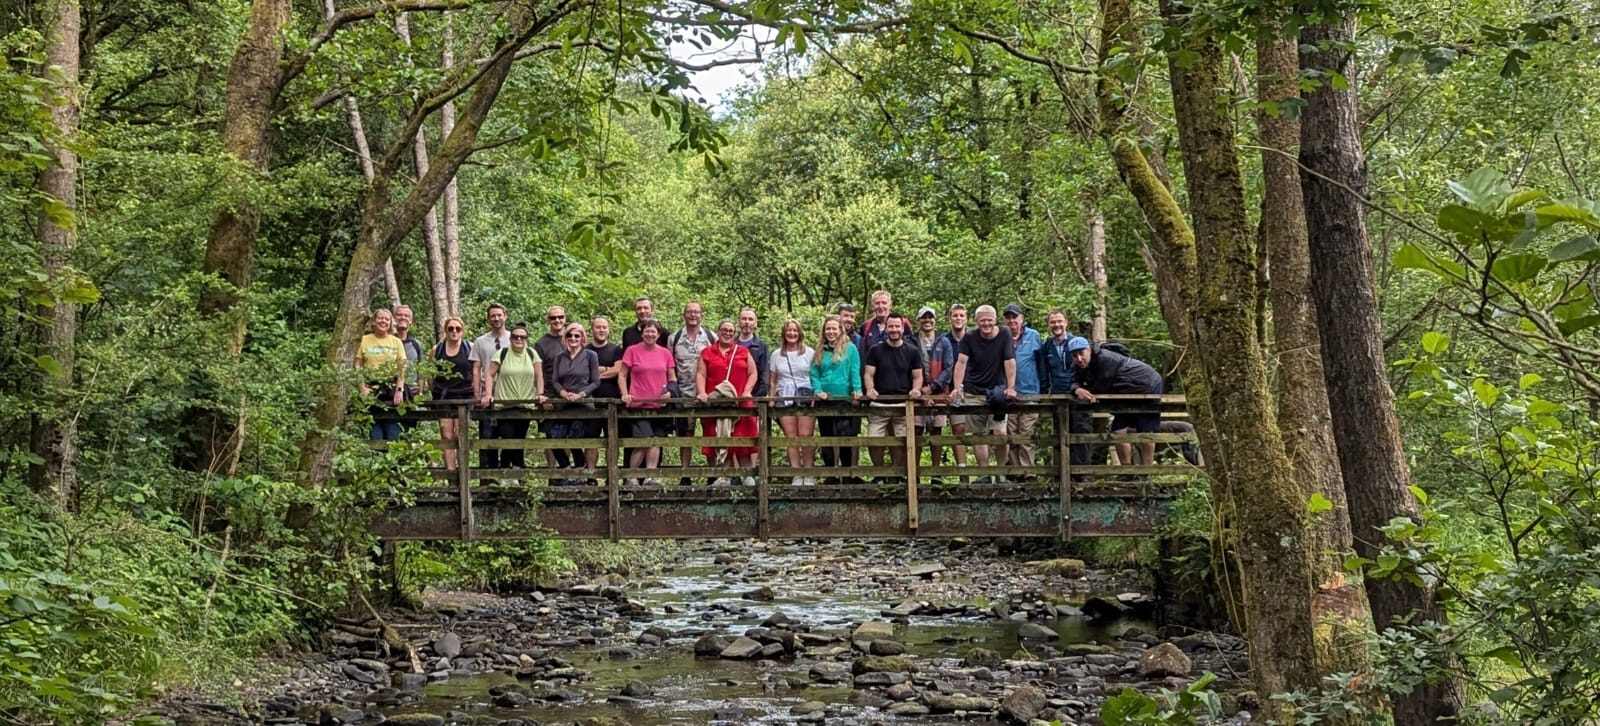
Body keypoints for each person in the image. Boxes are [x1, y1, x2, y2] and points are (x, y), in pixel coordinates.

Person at [950, 305, 1017, 482]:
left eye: (989, 320)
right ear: (976, 321)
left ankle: (1001, 472)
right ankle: (984, 474)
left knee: (1000, 433)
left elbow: (1009, 361)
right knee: (978, 434)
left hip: (997, 391)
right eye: (982, 321)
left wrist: (1011, 387)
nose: (986, 324)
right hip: (974, 390)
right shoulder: (969, 337)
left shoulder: (1004, 334)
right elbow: (961, 362)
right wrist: (957, 387)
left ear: (995, 320)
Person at [1071, 342, 1166, 466]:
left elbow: (1101, 386)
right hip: (1123, 394)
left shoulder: (1106, 359)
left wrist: (1086, 390)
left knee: (1146, 431)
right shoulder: (1079, 365)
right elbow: (1073, 381)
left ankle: (1147, 472)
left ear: (1088, 350)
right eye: (1075, 355)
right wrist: (1077, 389)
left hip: (1147, 386)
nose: (1079, 358)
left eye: (1081, 353)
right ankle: (1126, 471)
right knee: (1118, 431)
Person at [695, 319, 759, 485]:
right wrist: (702, 392)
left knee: (742, 437)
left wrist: (747, 391)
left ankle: (747, 475)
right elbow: (701, 374)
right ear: (718, 331)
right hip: (715, 403)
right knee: (715, 435)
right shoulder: (707, 352)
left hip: (740, 403)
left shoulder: (743, 352)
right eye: (724, 329)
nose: (727, 333)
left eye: (731, 331)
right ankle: (720, 475)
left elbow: (753, 373)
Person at [863, 316, 924, 475]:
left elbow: (918, 376)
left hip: (903, 404)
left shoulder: (912, 351)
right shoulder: (876, 350)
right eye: (891, 326)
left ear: (902, 328)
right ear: (886, 329)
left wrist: (916, 389)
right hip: (879, 403)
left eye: (897, 326)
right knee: (874, 440)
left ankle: (896, 474)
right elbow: (869, 374)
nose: (894, 330)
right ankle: (879, 473)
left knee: (901, 441)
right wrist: (870, 389)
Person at [479, 322, 544, 469]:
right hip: (505, 405)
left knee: (519, 440)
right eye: (515, 337)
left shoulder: (532, 354)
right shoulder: (502, 353)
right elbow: (489, 374)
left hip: (525, 405)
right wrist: (488, 394)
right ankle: (510, 470)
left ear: (526, 339)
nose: (519, 340)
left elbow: (539, 376)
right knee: (508, 439)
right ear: (510, 338)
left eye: (522, 337)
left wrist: (540, 394)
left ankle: (515, 473)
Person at [618, 319, 673, 483]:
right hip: (638, 403)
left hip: (659, 404)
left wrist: (670, 392)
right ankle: (631, 476)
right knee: (643, 440)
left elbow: (672, 377)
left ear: (659, 334)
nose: (650, 334)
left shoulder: (665, 353)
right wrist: (624, 393)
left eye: (653, 331)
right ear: (642, 333)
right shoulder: (632, 350)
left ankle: (651, 476)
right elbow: (622, 374)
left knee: (656, 440)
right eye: (647, 331)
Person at [810, 315, 863, 484]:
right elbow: (814, 373)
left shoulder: (851, 348)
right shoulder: (819, 350)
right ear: (824, 331)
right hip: (825, 399)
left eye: (834, 328)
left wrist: (857, 390)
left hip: (845, 398)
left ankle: (847, 474)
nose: (831, 332)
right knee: (827, 436)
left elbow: (855, 370)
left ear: (841, 330)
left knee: (846, 436)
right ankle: (831, 474)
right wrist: (817, 390)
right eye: (828, 329)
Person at [1040, 311, 1094, 467]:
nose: (1057, 325)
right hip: (1057, 396)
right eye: (1053, 322)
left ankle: (1081, 474)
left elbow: (1086, 367)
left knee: (1081, 433)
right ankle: (1060, 474)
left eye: (1059, 321)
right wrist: (1044, 395)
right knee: (1059, 434)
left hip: (1079, 395)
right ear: (1048, 325)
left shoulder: (1077, 343)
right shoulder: (1047, 347)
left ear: (1066, 322)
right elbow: (1045, 374)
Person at [669, 301, 714, 484]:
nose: (693, 315)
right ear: (684, 314)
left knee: (710, 432)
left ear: (702, 314)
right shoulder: (675, 337)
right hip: (684, 393)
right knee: (685, 434)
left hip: (707, 395)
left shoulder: (711, 336)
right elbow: (670, 365)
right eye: (689, 312)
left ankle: (713, 474)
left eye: (696, 312)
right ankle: (685, 473)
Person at [550, 322, 601, 483]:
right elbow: (555, 380)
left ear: (582, 338)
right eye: (570, 335)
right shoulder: (560, 357)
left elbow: (596, 381)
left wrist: (581, 394)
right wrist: (563, 393)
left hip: (583, 404)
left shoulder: (590, 355)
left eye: (576, 336)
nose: (573, 338)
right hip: (564, 403)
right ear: (565, 338)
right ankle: (566, 468)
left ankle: (580, 471)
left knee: (576, 437)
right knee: (554, 438)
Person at [768, 319, 816, 485]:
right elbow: (773, 380)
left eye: (795, 331)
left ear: (800, 333)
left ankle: (809, 472)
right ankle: (796, 472)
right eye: (789, 331)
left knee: (805, 435)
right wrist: (772, 398)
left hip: (805, 394)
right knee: (791, 436)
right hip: (785, 396)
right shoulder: (776, 355)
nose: (792, 334)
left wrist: (816, 395)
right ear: (784, 333)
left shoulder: (809, 352)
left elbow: (815, 375)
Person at [1002, 304, 1045, 476]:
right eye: (1009, 317)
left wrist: (1043, 388)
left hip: (1030, 391)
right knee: (1011, 433)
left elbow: (1041, 363)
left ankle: (1028, 472)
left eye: (1015, 317)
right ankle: (1014, 471)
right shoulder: (1002, 336)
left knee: (1027, 433)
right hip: (1009, 393)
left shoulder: (1033, 336)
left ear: (1021, 319)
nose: (1012, 321)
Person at [913, 306, 956, 479]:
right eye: (924, 318)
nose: (927, 321)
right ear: (918, 320)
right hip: (917, 393)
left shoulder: (943, 341)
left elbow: (949, 367)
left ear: (935, 320)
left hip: (939, 393)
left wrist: (932, 389)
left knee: (936, 432)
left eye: (930, 318)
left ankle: (936, 474)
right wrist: (922, 393)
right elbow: (910, 366)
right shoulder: (912, 341)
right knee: (916, 433)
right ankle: (913, 473)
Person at [430, 316, 475, 471]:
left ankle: (463, 472)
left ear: (462, 330)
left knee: (461, 435)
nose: (454, 332)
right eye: (451, 328)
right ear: (445, 331)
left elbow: (477, 371)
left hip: (465, 395)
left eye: (458, 328)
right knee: (446, 435)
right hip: (444, 396)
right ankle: (450, 472)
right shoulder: (437, 349)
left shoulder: (470, 347)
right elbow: (430, 373)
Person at [469, 303, 512, 468]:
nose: (496, 318)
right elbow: (476, 368)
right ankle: (487, 481)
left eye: (499, 315)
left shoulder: (514, 339)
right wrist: (477, 394)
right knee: (487, 437)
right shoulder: (480, 341)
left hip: (509, 394)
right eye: (493, 316)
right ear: (488, 319)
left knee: (510, 435)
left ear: (505, 316)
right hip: (487, 395)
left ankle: (508, 476)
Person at [357, 308, 406, 440]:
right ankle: (376, 458)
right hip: (371, 389)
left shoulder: (396, 342)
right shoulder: (364, 340)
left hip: (391, 389)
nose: (383, 321)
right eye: (380, 318)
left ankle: (393, 459)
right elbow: (358, 366)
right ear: (374, 321)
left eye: (387, 319)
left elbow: (402, 368)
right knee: (374, 429)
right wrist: (362, 388)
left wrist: (399, 389)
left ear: (391, 323)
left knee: (392, 429)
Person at [534, 306, 569, 470]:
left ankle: (567, 473)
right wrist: (542, 395)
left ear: (565, 318)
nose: (557, 320)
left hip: (570, 396)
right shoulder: (541, 343)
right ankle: (552, 474)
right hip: (550, 395)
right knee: (551, 436)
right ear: (548, 320)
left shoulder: (573, 338)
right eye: (553, 318)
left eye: (560, 317)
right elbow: (538, 372)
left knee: (568, 436)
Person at [588, 316, 623, 470]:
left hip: (612, 403)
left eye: (604, 327)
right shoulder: (585, 350)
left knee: (612, 441)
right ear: (592, 330)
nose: (601, 330)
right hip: (590, 402)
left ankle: (612, 476)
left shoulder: (616, 350)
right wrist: (604, 370)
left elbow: (618, 370)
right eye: (598, 327)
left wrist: (595, 372)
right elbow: (582, 372)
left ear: (609, 330)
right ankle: (591, 475)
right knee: (591, 440)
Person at [940, 304, 971, 473]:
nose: (958, 318)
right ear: (950, 318)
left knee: (982, 430)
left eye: (961, 315)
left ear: (966, 318)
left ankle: (987, 473)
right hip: (950, 390)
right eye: (955, 315)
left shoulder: (974, 338)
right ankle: (963, 471)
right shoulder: (944, 340)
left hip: (974, 389)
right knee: (958, 429)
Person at [393, 305, 426, 431]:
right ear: (393, 318)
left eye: (406, 316)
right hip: (390, 393)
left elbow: (421, 369)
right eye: (399, 315)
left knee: (410, 432)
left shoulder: (416, 344)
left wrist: (421, 391)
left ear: (411, 321)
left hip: (411, 395)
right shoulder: (387, 341)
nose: (403, 318)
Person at [736, 307, 770, 397]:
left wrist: (758, 397)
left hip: (754, 397)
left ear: (755, 323)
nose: (747, 322)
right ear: (739, 322)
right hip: (732, 396)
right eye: (744, 319)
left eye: (750, 319)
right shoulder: (731, 344)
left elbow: (765, 375)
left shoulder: (762, 347)